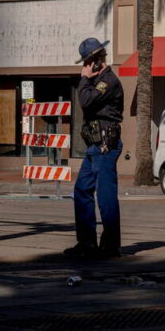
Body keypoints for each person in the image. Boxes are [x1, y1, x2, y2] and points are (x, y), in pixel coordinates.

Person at [65, 37, 124, 259]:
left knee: (106, 195)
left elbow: (86, 101)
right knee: (82, 190)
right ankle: (87, 242)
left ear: (96, 62)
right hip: (94, 146)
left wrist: (84, 79)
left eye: (87, 63)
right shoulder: (96, 80)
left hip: (105, 146)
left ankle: (110, 245)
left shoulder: (107, 81)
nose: (85, 67)